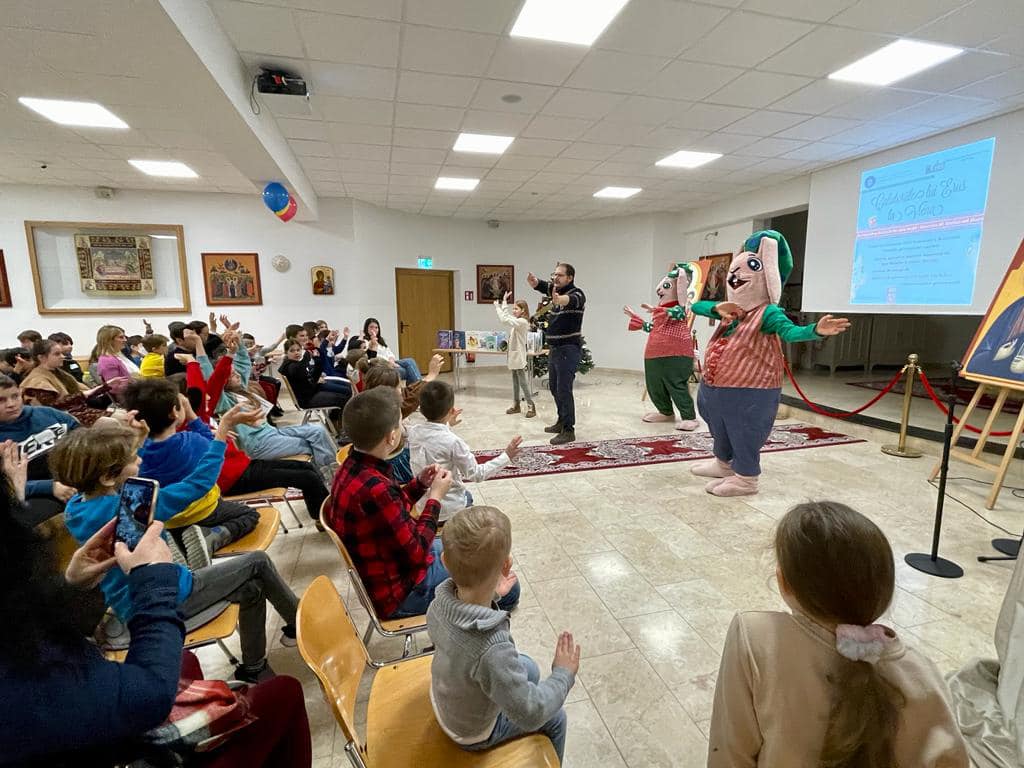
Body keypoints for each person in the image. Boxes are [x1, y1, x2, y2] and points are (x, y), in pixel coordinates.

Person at [708, 500, 969, 766]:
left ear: (783, 581)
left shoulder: (757, 638)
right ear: (883, 591)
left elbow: (729, 752)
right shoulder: (923, 673)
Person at [56, 409, 302, 684]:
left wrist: (137, 441)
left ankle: (254, 669)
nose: (140, 459)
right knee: (258, 561)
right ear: (107, 477)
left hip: (131, 603)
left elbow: (120, 474)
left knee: (252, 589)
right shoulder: (132, 507)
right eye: (134, 457)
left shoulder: (75, 507)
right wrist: (221, 432)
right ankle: (302, 626)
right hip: (167, 597)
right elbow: (198, 483)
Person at [326, 388, 516, 619]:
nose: (404, 429)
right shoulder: (376, 489)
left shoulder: (351, 468)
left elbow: (390, 511)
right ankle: (470, 629)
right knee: (506, 586)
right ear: (391, 437)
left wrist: (419, 484)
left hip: (393, 567)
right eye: (400, 424)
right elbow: (417, 550)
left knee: (474, 552)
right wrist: (435, 498)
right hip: (401, 592)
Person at [427, 506, 577, 762]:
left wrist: (492, 594)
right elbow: (531, 713)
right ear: (506, 565)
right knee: (556, 718)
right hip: (472, 732)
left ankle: (514, 692)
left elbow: (463, 638)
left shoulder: (438, 604)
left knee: (528, 667)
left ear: (444, 561)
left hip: (446, 697)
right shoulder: (492, 648)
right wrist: (563, 674)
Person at [122, 379, 261, 550]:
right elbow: (214, 447)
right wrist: (194, 417)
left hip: (166, 521)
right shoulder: (190, 441)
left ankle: (186, 541)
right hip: (203, 512)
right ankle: (210, 537)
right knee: (249, 514)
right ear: (174, 412)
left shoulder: (135, 455)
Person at [409, 380, 522, 522]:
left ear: (421, 409)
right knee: (468, 497)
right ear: (451, 410)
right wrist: (507, 456)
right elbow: (476, 474)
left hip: (422, 505)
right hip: (449, 509)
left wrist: (447, 424)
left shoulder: (413, 432)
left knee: (467, 495)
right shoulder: (453, 442)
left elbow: (434, 437)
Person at [0, 373, 78, 527]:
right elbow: (6, 488)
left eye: (15, 396)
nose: (11, 404)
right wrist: (50, 487)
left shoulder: (48, 414)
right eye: (1, 400)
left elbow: (86, 440)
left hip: (76, 475)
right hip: (36, 493)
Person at [528, 263, 586, 445]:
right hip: (555, 349)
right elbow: (547, 287)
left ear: (570, 277)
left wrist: (559, 300)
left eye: (560, 275)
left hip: (568, 348)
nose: (555, 278)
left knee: (564, 389)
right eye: (554, 274)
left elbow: (570, 300)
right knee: (554, 387)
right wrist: (536, 282)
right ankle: (561, 420)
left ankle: (569, 430)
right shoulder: (556, 290)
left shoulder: (577, 294)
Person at [18, 339, 115, 423]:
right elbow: (52, 408)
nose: (63, 356)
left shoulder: (60, 374)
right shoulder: (36, 381)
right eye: (57, 354)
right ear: (41, 358)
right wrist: (83, 395)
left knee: (121, 415)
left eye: (61, 353)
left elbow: (84, 392)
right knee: (114, 422)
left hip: (77, 411)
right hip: (64, 418)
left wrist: (105, 387)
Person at [278, 338, 350, 431]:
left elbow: (311, 378)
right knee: (344, 397)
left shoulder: (295, 364)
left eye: (298, 350)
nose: (296, 353)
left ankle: (335, 423)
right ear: (286, 353)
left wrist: (317, 360)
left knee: (346, 390)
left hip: (311, 392)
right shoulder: (290, 366)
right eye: (292, 351)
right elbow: (298, 370)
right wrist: (307, 356)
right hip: (307, 399)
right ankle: (340, 427)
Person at [494, 292, 536, 418]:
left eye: (516, 309)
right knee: (515, 381)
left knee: (522, 382)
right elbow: (507, 318)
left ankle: (531, 405)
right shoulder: (517, 321)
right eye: (513, 308)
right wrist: (503, 302)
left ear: (523, 310)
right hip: (513, 356)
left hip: (518, 356)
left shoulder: (522, 322)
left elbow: (504, 319)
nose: (514, 311)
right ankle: (516, 405)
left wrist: (499, 306)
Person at [361, 317, 422, 383]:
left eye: (376, 327)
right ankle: (418, 386)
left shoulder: (380, 340)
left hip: (391, 362)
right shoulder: (365, 342)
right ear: (366, 329)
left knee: (410, 361)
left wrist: (392, 360)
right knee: (406, 371)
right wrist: (390, 364)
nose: (374, 330)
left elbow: (389, 353)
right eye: (371, 327)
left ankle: (416, 386)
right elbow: (373, 359)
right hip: (382, 366)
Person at [95, 324, 140, 398]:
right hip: (127, 398)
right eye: (121, 337)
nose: (125, 340)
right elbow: (115, 388)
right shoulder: (107, 361)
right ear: (109, 340)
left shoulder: (121, 354)